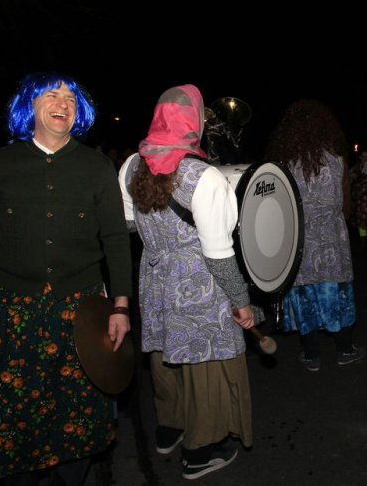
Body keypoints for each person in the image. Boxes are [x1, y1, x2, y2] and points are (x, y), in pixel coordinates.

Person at [0, 72, 132, 485]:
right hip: (13, 310)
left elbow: (115, 240)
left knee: (77, 411)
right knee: (10, 410)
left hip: (80, 310)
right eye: (51, 95)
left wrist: (121, 305)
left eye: (71, 98)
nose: (62, 103)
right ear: (29, 106)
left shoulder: (97, 167)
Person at [119, 84, 254, 480]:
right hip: (199, 282)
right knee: (204, 364)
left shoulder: (130, 165)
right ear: (195, 121)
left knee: (164, 355)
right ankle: (200, 450)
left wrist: (160, 237)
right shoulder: (205, 176)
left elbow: (128, 224)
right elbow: (219, 253)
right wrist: (241, 300)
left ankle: (170, 429)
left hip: (154, 276)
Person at [266, 99, 363, 372]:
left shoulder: (284, 163)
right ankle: (344, 349)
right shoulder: (337, 159)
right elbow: (345, 204)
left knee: (303, 291)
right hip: (332, 235)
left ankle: (311, 354)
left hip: (300, 238)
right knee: (337, 289)